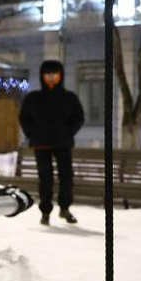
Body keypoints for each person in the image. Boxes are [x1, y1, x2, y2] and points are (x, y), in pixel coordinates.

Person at [18, 59, 85, 225]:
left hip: (63, 144)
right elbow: (24, 118)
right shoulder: (33, 98)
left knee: (66, 177)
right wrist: (31, 134)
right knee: (45, 179)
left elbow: (78, 118)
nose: (51, 77)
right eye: (47, 74)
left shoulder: (69, 98)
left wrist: (68, 132)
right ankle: (45, 211)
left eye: (54, 73)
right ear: (42, 76)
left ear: (61, 75)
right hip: (41, 144)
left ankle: (65, 208)